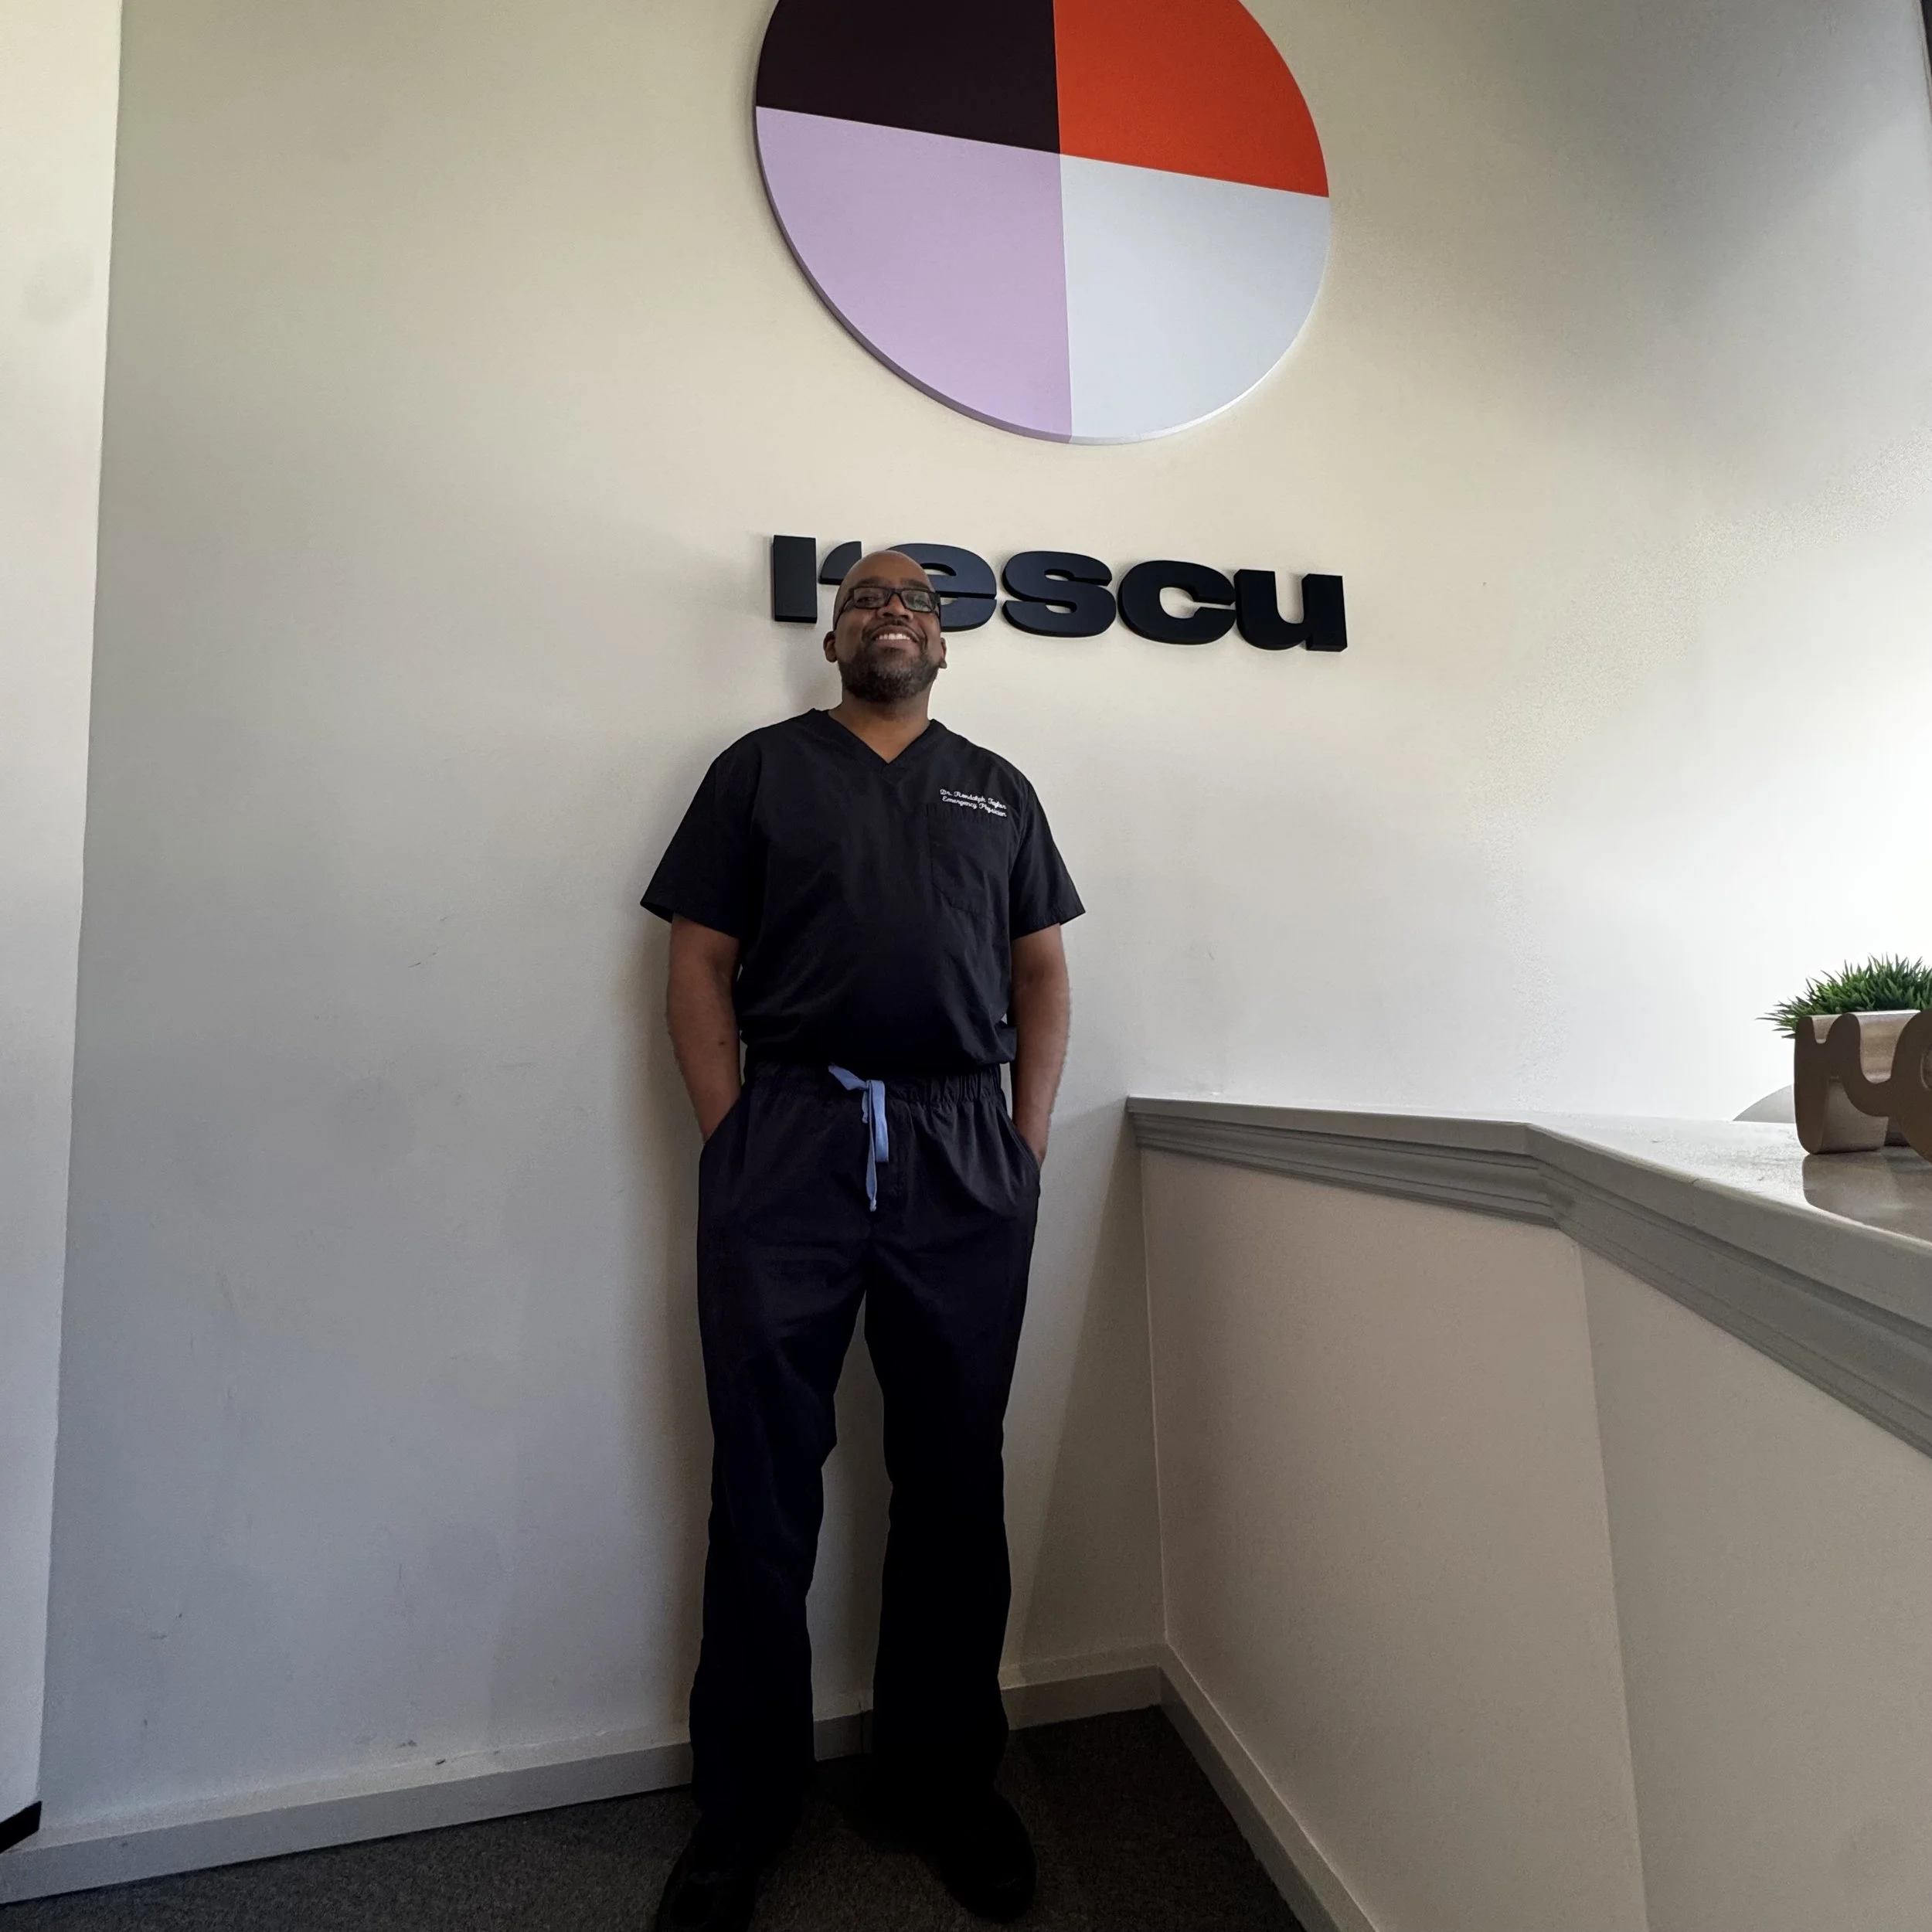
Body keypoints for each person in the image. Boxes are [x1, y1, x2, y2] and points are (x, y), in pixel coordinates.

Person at [641, 553, 1080, 1930]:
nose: (894, 610)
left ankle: (944, 1786)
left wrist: (1023, 1145)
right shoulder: (759, 770)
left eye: (917, 600)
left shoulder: (997, 789)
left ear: (945, 644)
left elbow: (1042, 974)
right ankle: (744, 1808)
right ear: (831, 636)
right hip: (792, 1143)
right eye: (868, 597)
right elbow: (698, 961)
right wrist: (737, 1142)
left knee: (956, 1475)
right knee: (764, 1478)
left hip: (962, 1157)